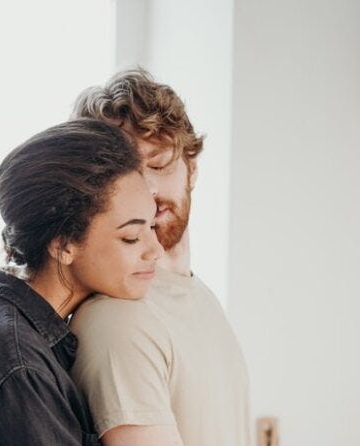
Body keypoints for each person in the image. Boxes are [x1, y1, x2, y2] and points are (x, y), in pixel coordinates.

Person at [0, 119, 163, 445]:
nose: (155, 250)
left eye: (151, 227)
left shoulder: (19, 341)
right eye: (131, 237)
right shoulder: (17, 367)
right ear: (63, 246)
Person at [70, 69, 251, 446]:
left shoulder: (197, 296)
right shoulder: (118, 319)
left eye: (158, 165)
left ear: (192, 169)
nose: (147, 191)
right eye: (125, 174)